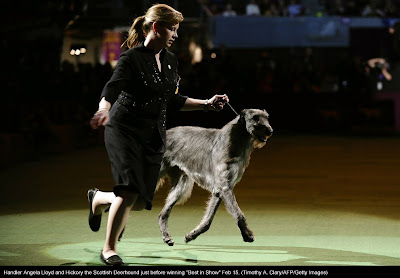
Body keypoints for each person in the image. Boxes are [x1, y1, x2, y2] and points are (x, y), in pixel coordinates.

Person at [87, 4, 229, 266]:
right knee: (128, 191)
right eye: (172, 29)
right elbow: (112, 87)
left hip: (152, 135)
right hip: (124, 130)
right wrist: (103, 110)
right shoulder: (132, 59)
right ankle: (109, 249)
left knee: (139, 202)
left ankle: (98, 198)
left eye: (177, 30)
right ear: (156, 27)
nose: (176, 35)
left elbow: (172, 100)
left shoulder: (171, 61)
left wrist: (206, 103)